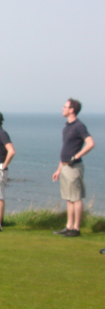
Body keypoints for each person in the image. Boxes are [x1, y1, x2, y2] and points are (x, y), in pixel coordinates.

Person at [52, 99, 95, 237]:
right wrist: (58, 169)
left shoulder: (79, 126)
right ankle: (69, 226)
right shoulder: (67, 127)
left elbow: (90, 143)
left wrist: (76, 156)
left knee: (76, 198)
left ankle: (76, 228)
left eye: (65, 106)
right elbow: (65, 149)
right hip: (65, 167)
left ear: (72, 110)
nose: (62, 108)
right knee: (68, 198)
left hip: (74, 167)